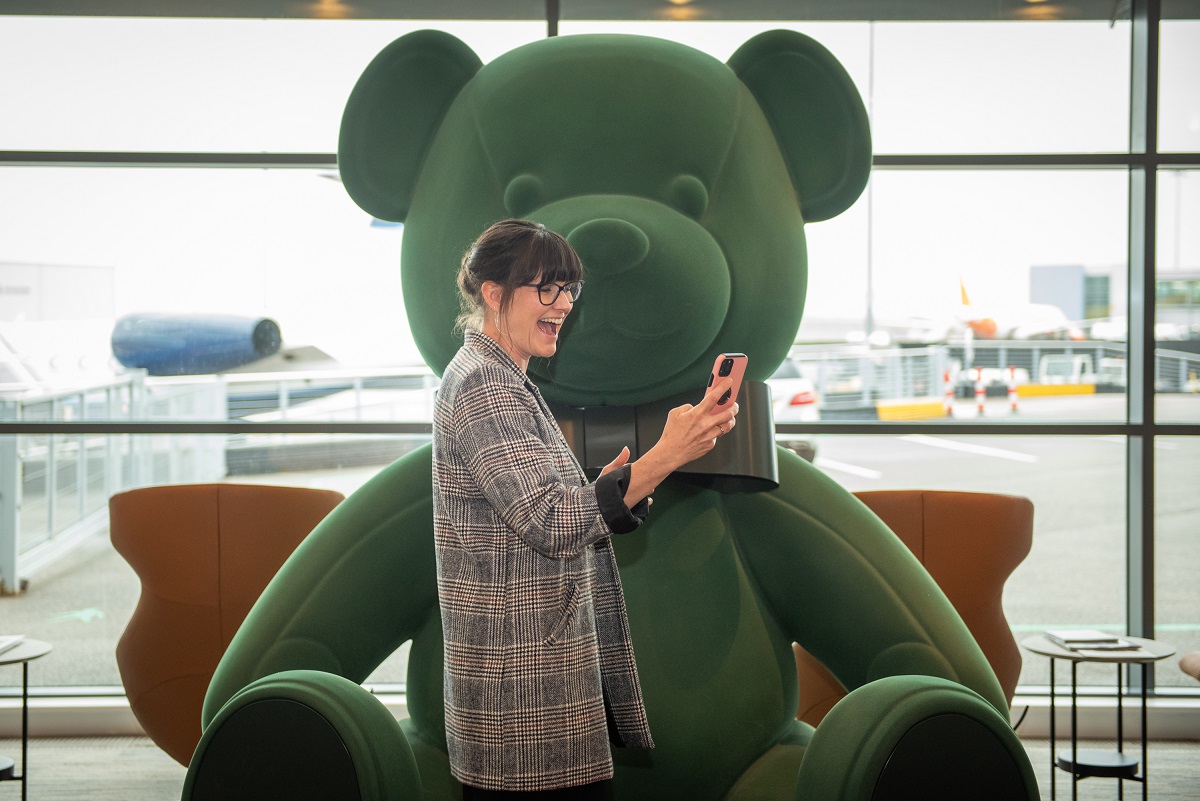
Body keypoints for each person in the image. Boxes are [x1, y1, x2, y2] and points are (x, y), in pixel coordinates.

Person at [432, 219, 739, 799]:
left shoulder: (501, 377)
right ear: (494, 294)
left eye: (569, 288)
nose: (563, 304)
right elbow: (548, 522)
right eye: (546, 288)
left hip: (530, 684)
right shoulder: (485, 385)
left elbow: (533, 509)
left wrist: (619, 480)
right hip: (521, 693)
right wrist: (666, 456)